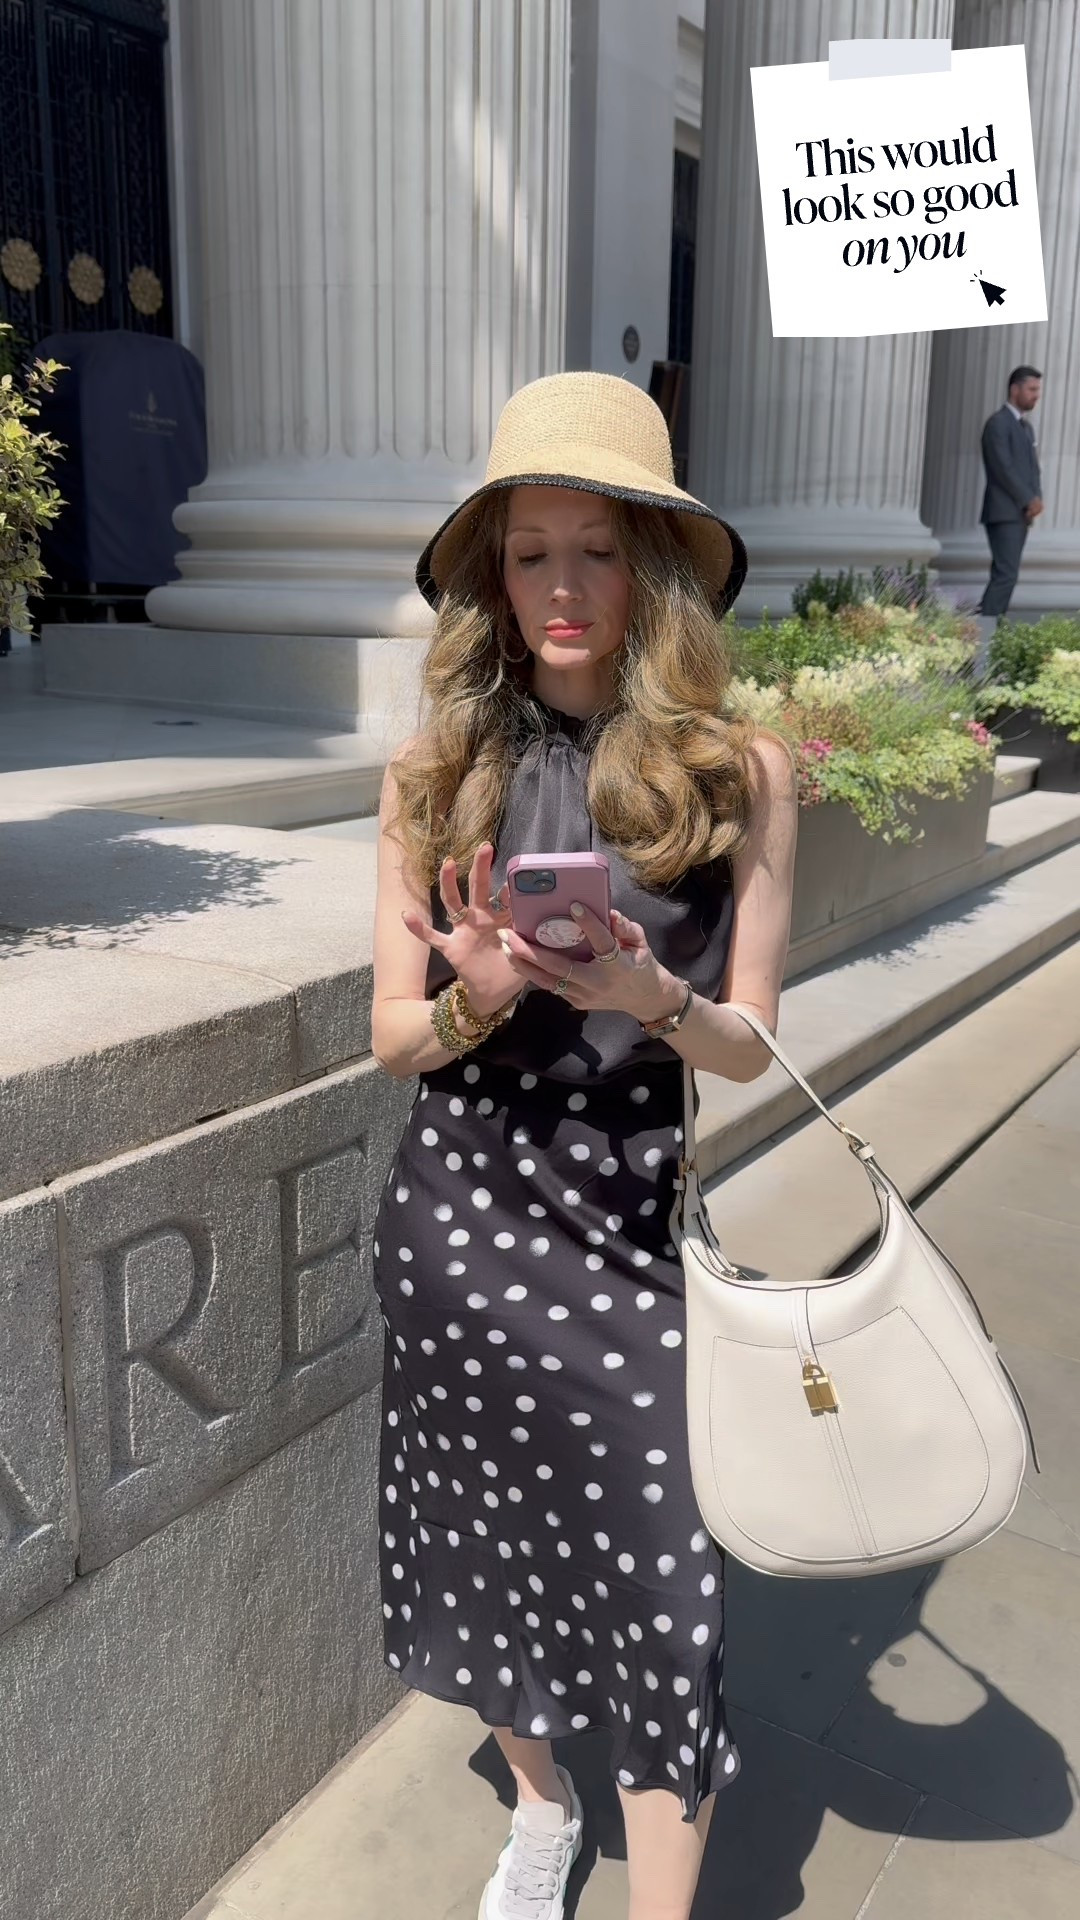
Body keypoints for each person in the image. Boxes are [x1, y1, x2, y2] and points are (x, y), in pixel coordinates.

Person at [370, 371, 797, 1920]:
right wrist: (476, 997)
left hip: (624, 1243)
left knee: (668, 1597)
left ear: (653, 573)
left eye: (596, 550)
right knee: (485, 1549)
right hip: (463, 1222)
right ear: (495, 573)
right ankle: (542, 1812)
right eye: (530, 550)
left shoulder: (735, 774)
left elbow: (748, 1049)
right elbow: (394, 1041)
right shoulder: (435, 777)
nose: (561, 586)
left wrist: (647, 992)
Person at [978, 364, 1043, 618]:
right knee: (1005, 575)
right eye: (1031, 389)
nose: (1036, 395)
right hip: (1003, 512)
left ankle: (991, 630)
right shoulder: (997, 424)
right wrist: (1028, 498)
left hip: (1020, 513)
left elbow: (1033, 469)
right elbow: (1002, 468)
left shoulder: (1026, 428)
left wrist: (1037, 497)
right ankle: (983, 632)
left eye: (1038, 390)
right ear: (1015, 389)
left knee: (1008, 574)